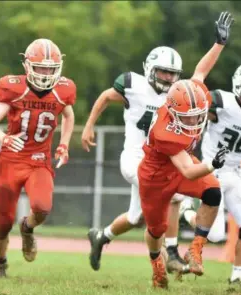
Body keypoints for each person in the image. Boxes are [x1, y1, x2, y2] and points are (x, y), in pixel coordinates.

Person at [82, 11, 233, 276]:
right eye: (162, 72)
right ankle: (172, 252)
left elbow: (200, 72)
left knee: (135, 218)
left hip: (166, 158)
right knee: (173, 196)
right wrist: (88, 126)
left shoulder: (179, 95)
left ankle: (101, 236)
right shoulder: (133, 85)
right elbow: (106, 97)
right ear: (150, 69)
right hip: (135, 158)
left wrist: (218, 43)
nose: (167, 78)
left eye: (172, 74)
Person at [0, 38, 76, 278]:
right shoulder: (13, 87)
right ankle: (1, 262)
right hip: (11, 160)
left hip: (39, 160)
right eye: (40, 68)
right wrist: (3, 138)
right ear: (27, 67)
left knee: (42, 208)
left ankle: (27, 227)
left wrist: (64, 144)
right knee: (3, 220)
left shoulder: (63, 89)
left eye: (50, 69)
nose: (45, 74)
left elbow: (68, 115)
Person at [180, 62, 241, 284]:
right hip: (210, 170)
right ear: (239, 84)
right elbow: (195, 112)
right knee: (214, 235)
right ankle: (186, 213)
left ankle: (237, 278)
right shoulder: (221, 102)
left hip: (234, 174)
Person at [139, 77, 229, 289]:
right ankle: (157, 264)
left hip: (183, 163)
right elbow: (188, 171)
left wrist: (219, 44)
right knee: (156, 229)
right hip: (156, 177)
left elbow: (201, 72)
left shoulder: (191, 96)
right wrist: (212, 164)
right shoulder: (164, 131)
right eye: (187, 118)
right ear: (172, 112)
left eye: (198, 115)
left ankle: (195, 248)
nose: (194, 121)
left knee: (213, 192)